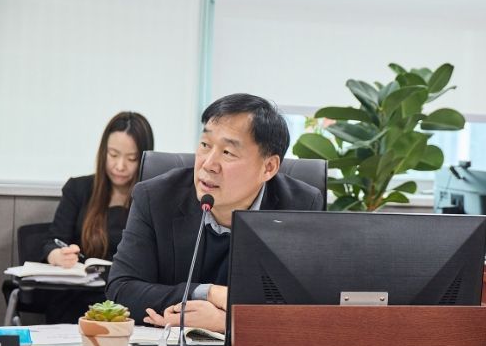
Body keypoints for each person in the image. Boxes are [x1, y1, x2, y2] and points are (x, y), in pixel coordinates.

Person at [106, 93, 324, 333]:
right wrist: (208, 293)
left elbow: (309, 309)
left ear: (268, 167)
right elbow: (121, 290)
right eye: (205, 145)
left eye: (228, 152)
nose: (208, 164)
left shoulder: (300, 206)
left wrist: (228, 322)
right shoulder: (156, 197)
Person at [41, 112, 154, 323]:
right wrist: (58, 255)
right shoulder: (78, 189)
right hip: (78, 297)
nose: (120, 166)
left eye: (131, 158)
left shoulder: (151, 198)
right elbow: (53, 242)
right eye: (113, 154)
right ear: (103, 152)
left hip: (127, 301)